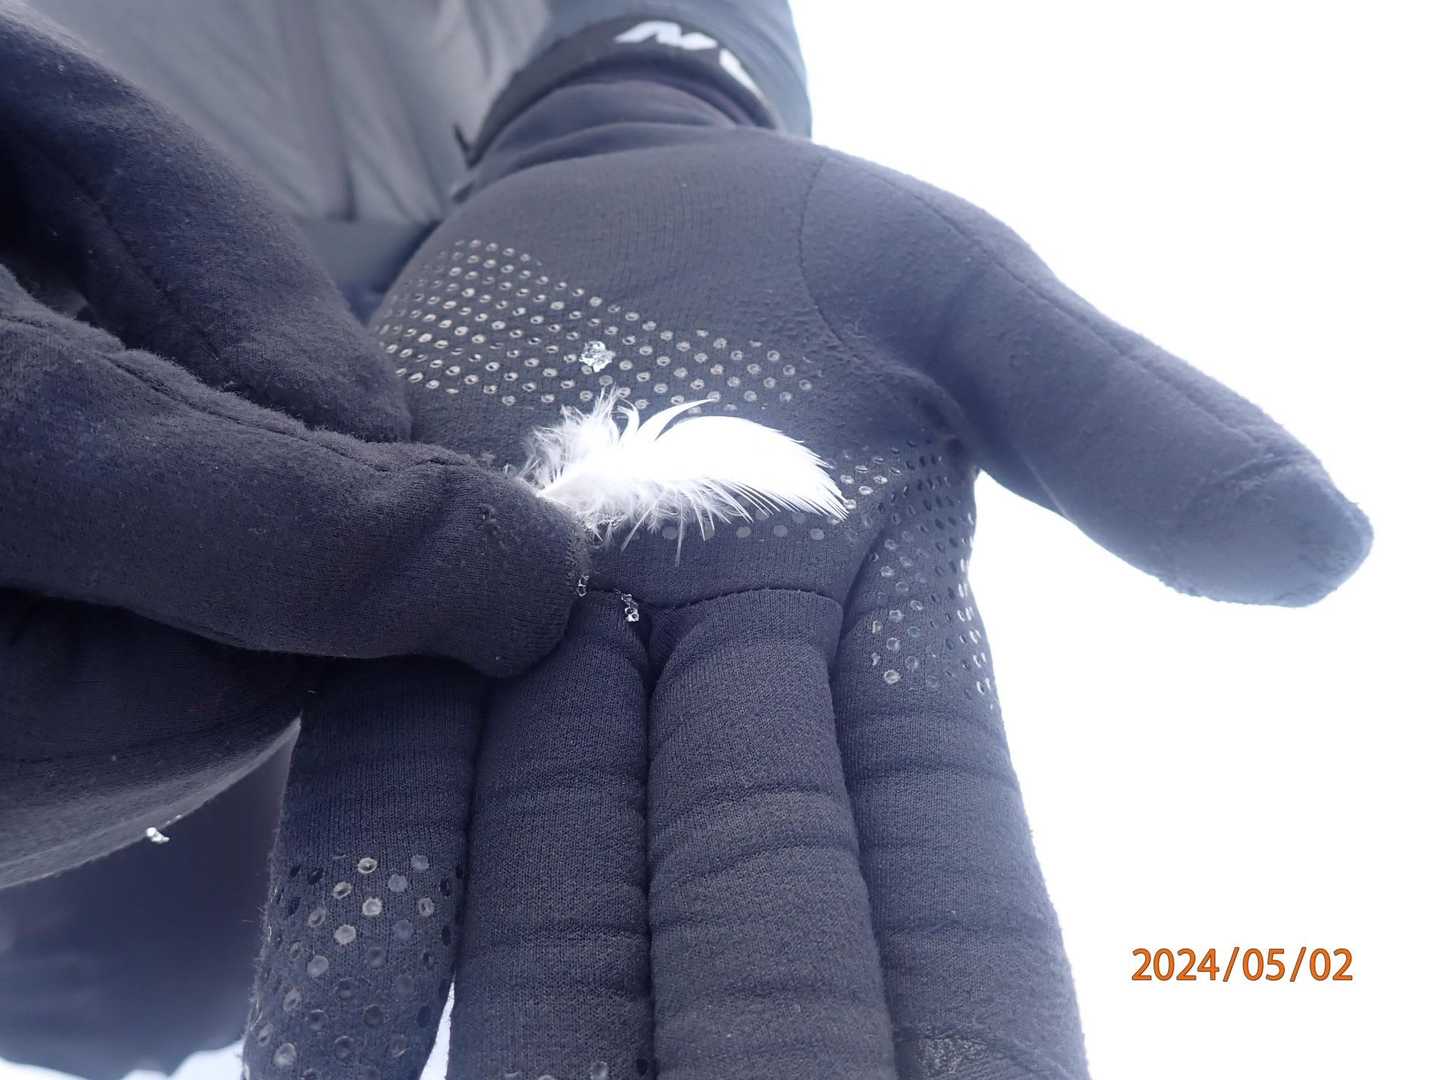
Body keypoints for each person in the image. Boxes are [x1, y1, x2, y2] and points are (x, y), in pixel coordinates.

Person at [0, 4, 1373, 1080]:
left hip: (476, 233)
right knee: (143, 960)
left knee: (228, 913)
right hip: (85, 384)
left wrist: (633, 91)